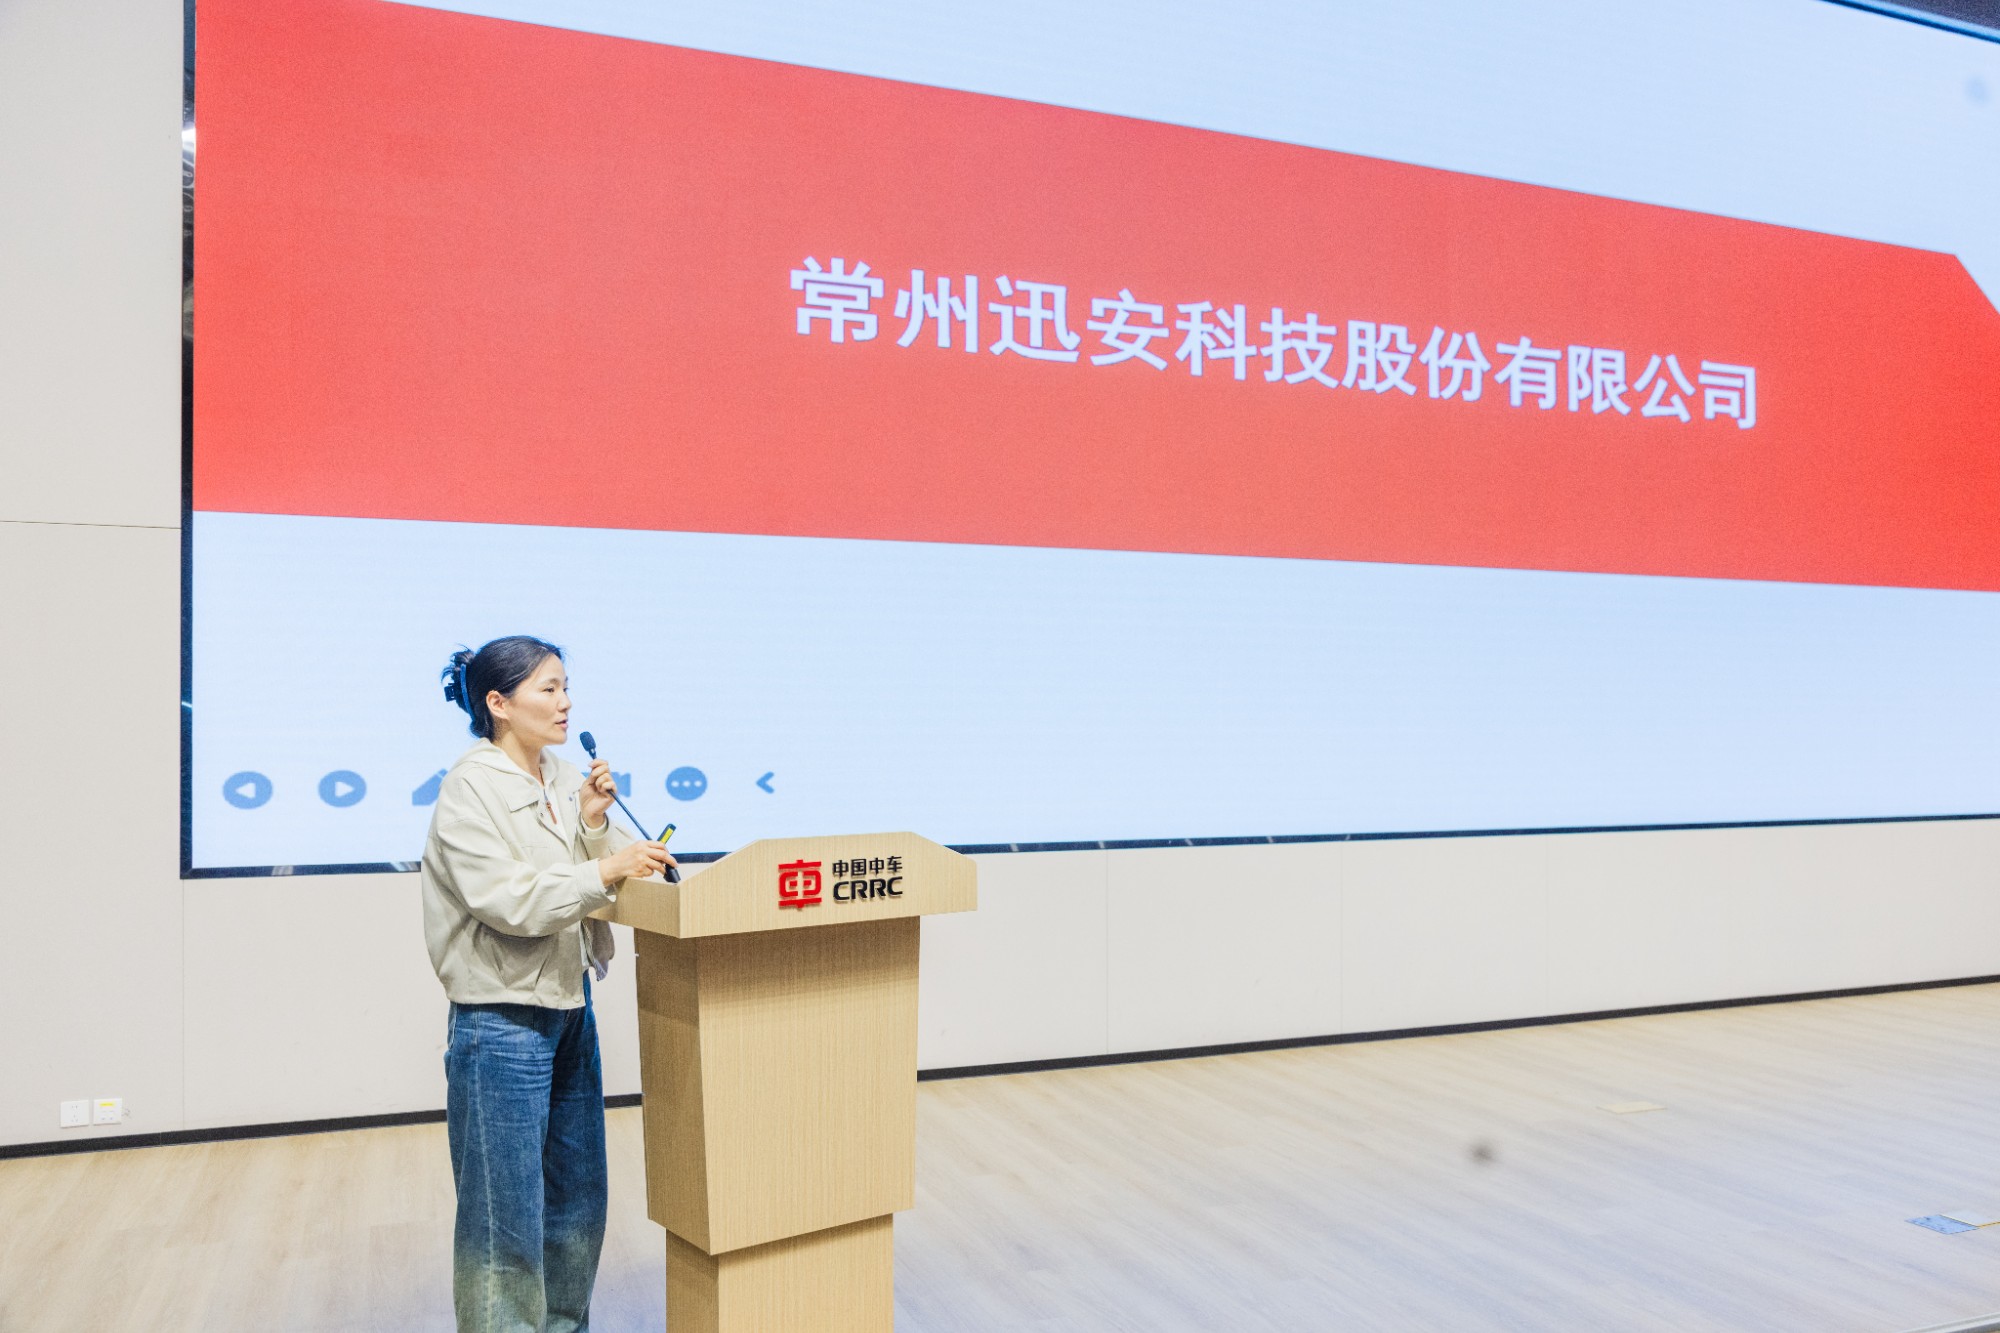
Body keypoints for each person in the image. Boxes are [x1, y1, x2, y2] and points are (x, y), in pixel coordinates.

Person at [421, 635, 674, 1333]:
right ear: (498, 704)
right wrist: (607, 865)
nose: (566, 703)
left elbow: (591, 886)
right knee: (503, 1220)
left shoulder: (562, 777)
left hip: (569, 1007)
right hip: (499, 1020)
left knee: (577, 1205)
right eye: (548, 688)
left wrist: (593, 823)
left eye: (566, 687)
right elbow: (512, 901)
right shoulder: (470, 787)